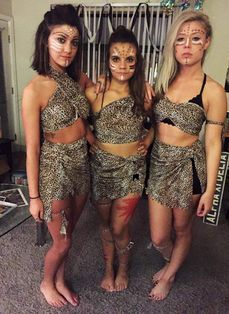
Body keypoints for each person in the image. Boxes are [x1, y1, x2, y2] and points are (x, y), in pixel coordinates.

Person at [146, 10, 227, 301]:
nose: (187, 45)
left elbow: (214, 143)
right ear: (173, 44)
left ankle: (170, 274)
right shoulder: (162, 81)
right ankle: (172, 260)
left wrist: (210, 189)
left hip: (188, 168)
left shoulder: (214, 90)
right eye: (181, 39)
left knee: (182, 228)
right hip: (158, 164)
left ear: (206, 42)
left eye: (195, 38)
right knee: (158, 237)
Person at [22, 5, 92, 308]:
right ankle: (46, 282)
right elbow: (33, 148)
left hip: (81, 166)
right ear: (45, 40)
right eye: (60, 39)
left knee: (69, 234)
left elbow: (91, 115)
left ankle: (61, 279)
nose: (68, 49)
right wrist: (34, 196)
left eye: (74, 42)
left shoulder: (81, 79)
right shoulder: (34, 89)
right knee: (61, 240)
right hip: (55, 170)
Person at [85, 26, 154, 292]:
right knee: (105, 224)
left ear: (137, 61)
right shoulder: (95, 93)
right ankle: (107, 268)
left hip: (132, 172)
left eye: (130, 59)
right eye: (116, 58)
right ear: (107, 61)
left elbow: (159, 122)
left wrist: (147, 140)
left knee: (119, 225)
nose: (123, 65)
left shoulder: (143, 95)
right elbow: (76, 119)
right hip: (101, 169)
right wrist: (90, 138)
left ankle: (123, 268)